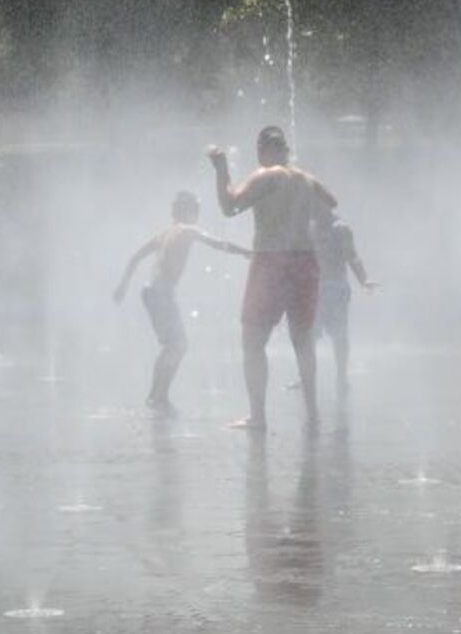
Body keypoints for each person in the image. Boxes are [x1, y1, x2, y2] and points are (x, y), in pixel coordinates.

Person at [208, 126, 337, 430]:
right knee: (303, 341)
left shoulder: (267, 175)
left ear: (263, 149)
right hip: (305, 262)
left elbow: (229, 206)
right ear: (286, 149)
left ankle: (258, 416)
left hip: (272, 261)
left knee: (253, 341)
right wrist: (302, 211)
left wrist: (221, 168)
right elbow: (331, 202)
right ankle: (313, 413)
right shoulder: (305, 178)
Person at [113, 191, 250, 415]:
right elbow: (219, 244)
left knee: (174, 346)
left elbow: (134, 258)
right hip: (161, 292)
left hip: (151, 291)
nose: (196, 215)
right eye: (195, 210)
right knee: (177, 345)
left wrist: (122, 287)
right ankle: (157, 397)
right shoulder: (188, 230)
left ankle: (157, 396)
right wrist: (245, 252)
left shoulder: (164, 233)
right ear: (189, 211)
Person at [313, 203, 377, 390]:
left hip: (334, 287)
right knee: (309, 335)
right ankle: (306, 376)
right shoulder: (310, 226)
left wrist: (363, 280)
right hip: (313, 287)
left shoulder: (340, 228)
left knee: (339, 334)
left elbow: (352, 256)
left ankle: (341, 375)